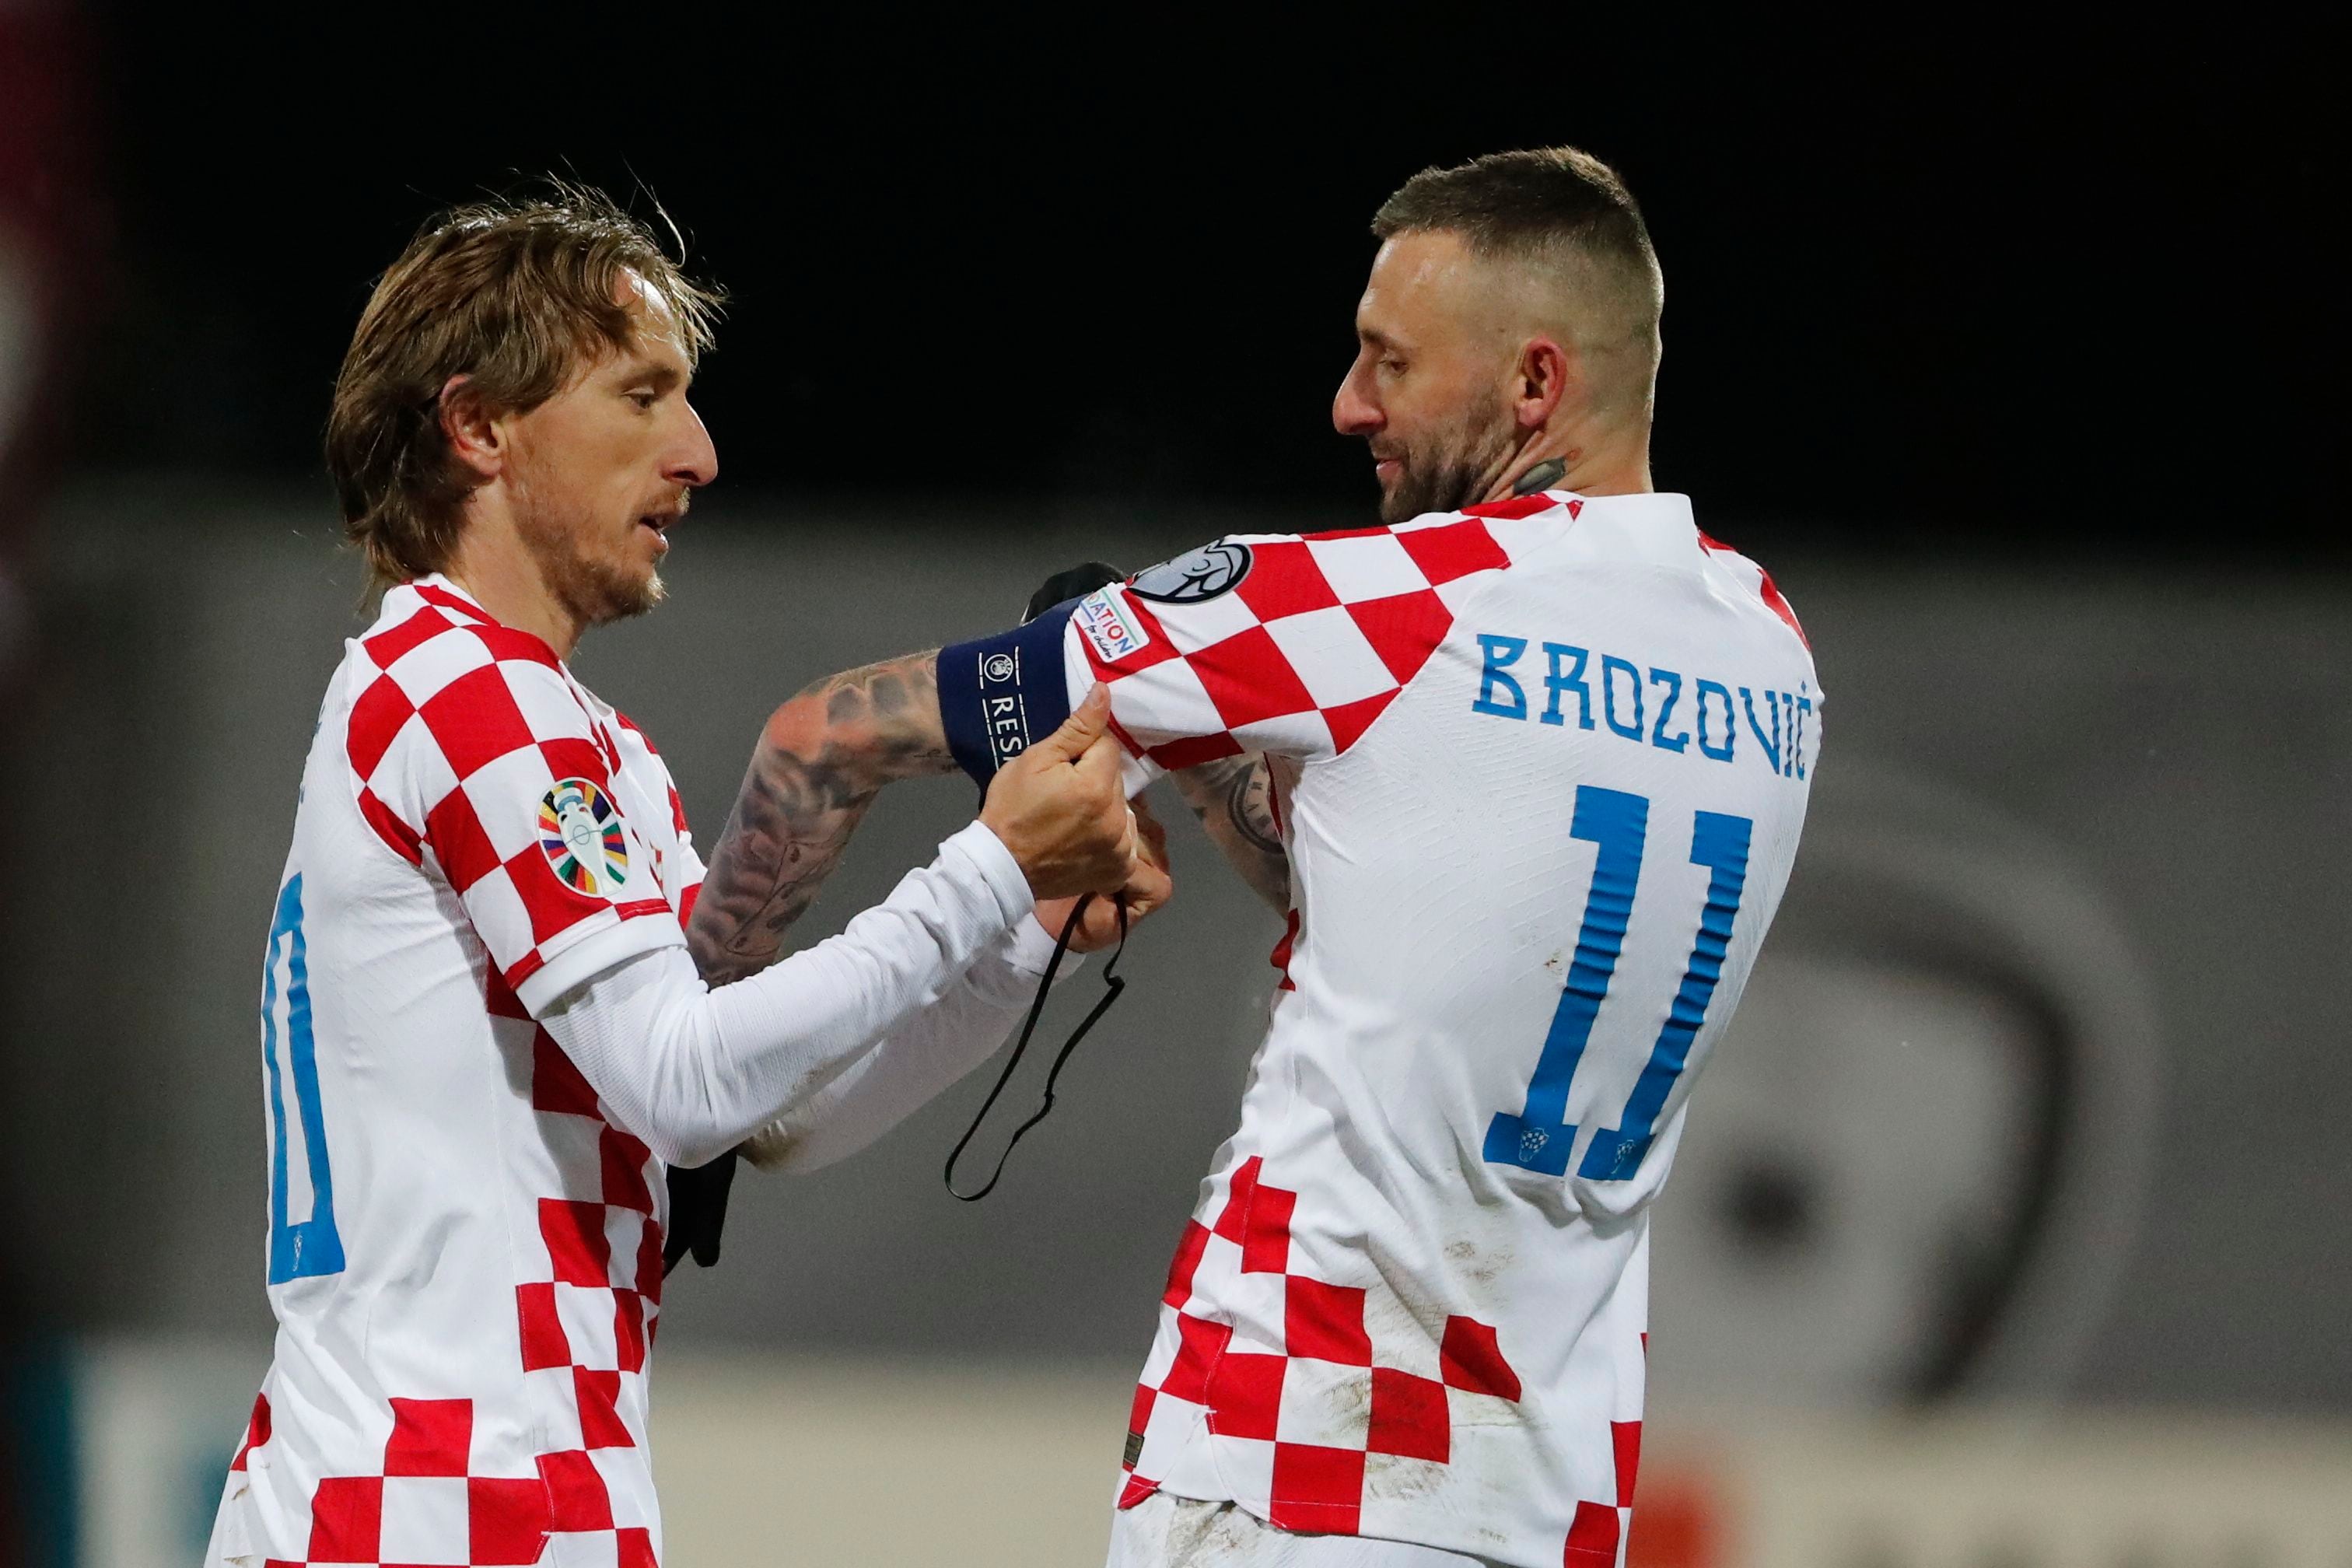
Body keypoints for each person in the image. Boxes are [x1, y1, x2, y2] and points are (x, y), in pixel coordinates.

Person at [777, 146, 1820, 1566]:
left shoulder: (1379, 607)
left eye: (1389, 362)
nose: (1349, 406)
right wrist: (1222, 780)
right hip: (1549, 1502)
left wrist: (686, 1066)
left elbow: (826, 735)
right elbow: (1427, 897)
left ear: (1533, 386)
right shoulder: (1766, 650)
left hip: (1289, 1468)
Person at [205, 187, 1166, 1568]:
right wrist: (990, 860)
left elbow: (764, 1120)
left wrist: (1027, 930)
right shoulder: (466, 693)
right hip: (437, 1507)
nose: (700, 453)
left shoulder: (567, 737)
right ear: (479, 428)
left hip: (491, 1495)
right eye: (643, 395)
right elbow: (684, 1075)